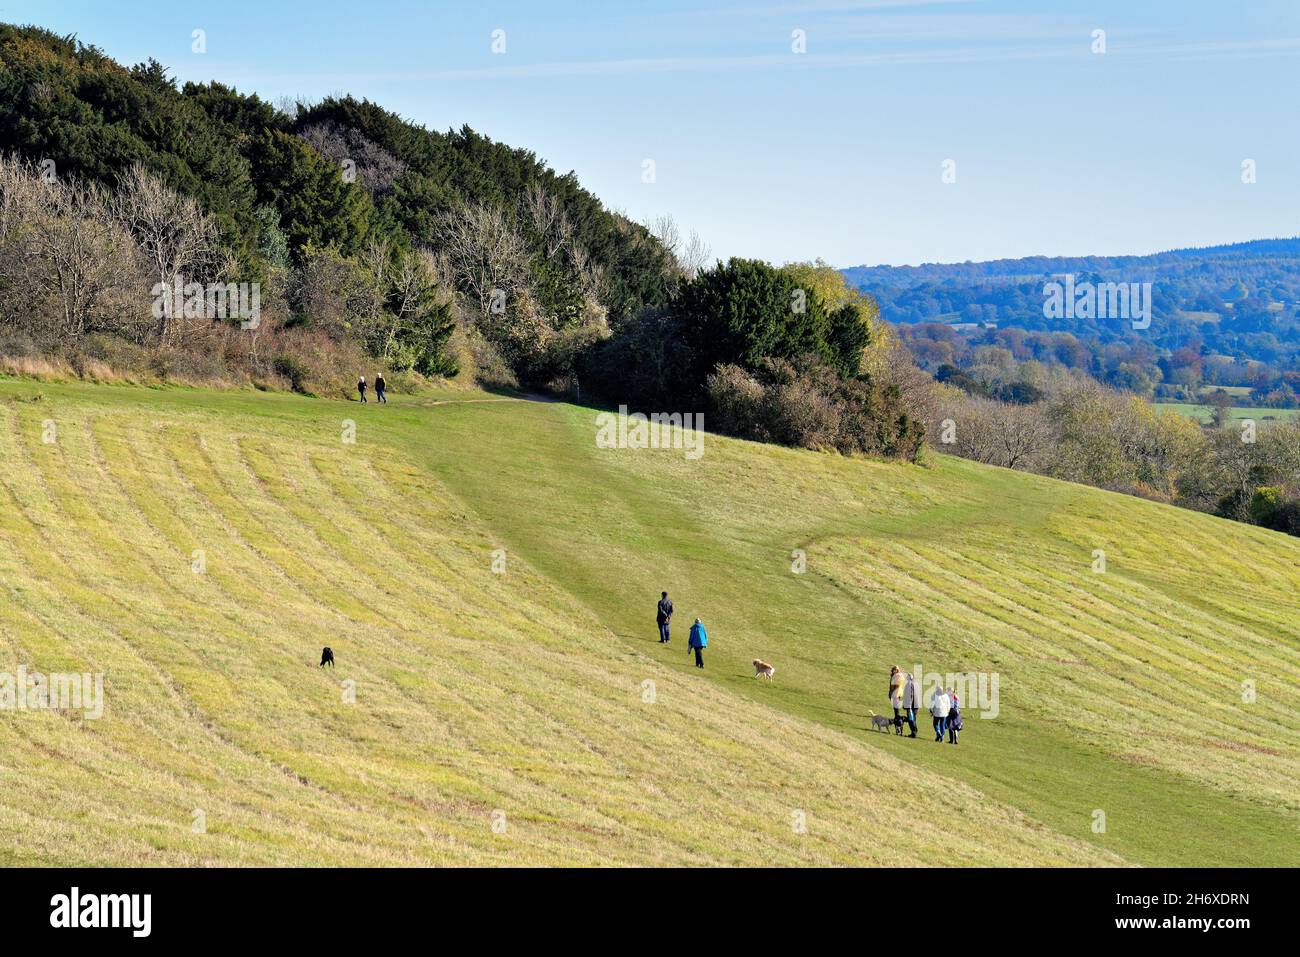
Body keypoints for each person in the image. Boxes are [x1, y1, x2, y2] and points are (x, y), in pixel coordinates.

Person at [900, 670, 921, 738]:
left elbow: (910, 695)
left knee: (911, 719)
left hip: (911, 705)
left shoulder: (909, 684)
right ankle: (914, 731)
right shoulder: (916, 683)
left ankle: (914, 732)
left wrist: (909, 706)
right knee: (913, 718)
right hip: (916, 705)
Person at [888, 665, 904, 733]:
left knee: (897, 712)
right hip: (896, 695)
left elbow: (896, 685)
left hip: (896, 695)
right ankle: (897, 726)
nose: (893, 671)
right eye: (893, 670)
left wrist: (891, 691)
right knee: (896, 712)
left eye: (895, 669)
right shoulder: (896, 676)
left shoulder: (898, 676)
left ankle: (898, 726)